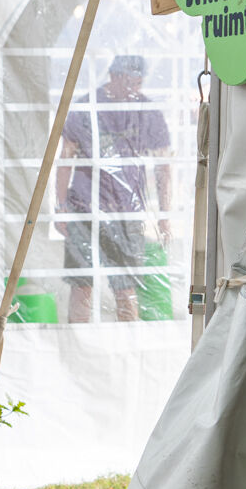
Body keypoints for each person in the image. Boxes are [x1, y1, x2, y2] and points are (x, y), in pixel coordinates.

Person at [55, 54, 172, 323]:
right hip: (84, 209)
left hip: (126, 212)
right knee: (81, 286)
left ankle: (128, 343)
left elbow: (163, 167)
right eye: (129, 81)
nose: (134, 88)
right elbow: (65, 158)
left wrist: (165, 215)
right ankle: (77, 343)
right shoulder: (86, 107)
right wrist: (61, 206)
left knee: (126, 288)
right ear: (113, 76)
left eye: (138, 82)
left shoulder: (147, 112)